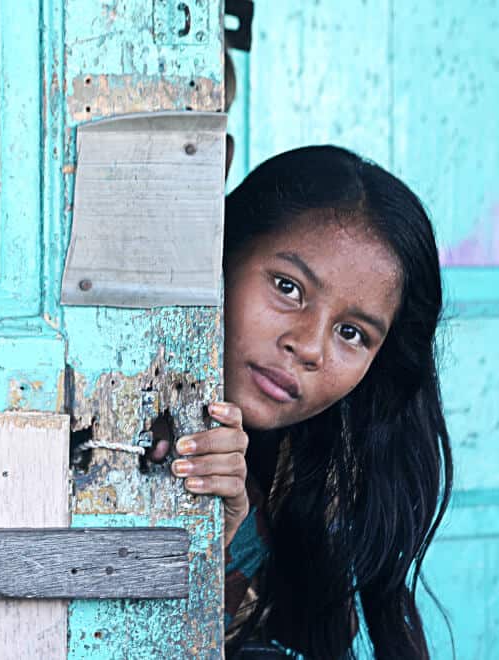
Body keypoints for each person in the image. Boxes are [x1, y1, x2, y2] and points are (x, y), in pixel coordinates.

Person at [155, 145, 453, 658]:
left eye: (352, 333)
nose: (310, 346)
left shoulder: (321, 468)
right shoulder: (128, 410)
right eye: (288, 287)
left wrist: (217, 540)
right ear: (221, 256)